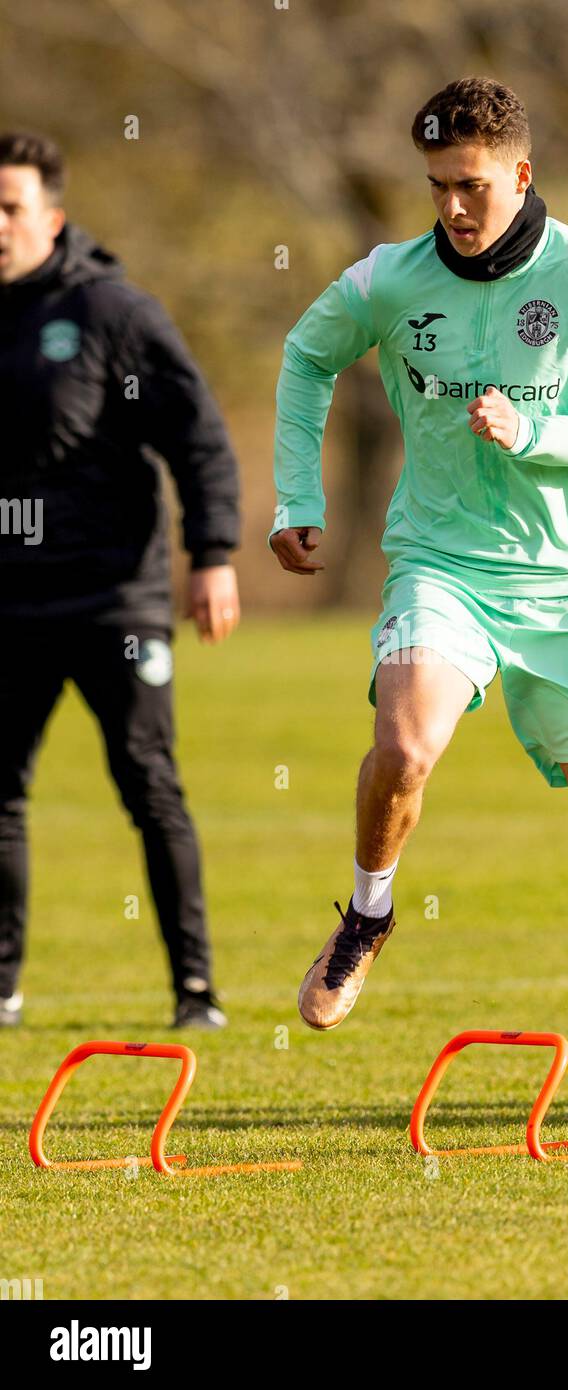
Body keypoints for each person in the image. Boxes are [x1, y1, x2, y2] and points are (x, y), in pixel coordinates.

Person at [270, 79, 568, 1150]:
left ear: (519, 173)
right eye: (436, 188)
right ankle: (367, 914)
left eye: (471, 185)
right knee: (404, 740)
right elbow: (302, 357)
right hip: (442, 569)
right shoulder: (390, 278)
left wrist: (535, 432)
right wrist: (297, 496)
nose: (453, 209)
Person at [0, 131, 241, 1029]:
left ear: (52, 218)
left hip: (115, 601)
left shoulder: (111, 312)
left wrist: (213, 553)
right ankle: (3, 990)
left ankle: (195, 992)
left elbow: (198, 434)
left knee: (148, 785)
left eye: (11, 207)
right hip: (10, 603)